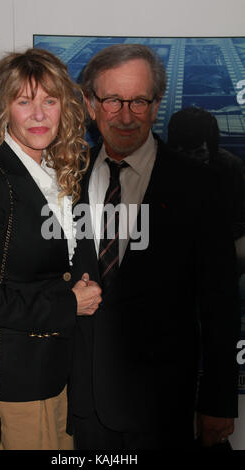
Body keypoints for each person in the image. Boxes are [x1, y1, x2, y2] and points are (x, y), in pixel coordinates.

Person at [69, 44, 240, 450]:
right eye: (112, 100)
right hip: (78, 410)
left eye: (139, 101)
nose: (126, 116)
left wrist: (218, 401)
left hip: (161, 410)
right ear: (91, 105)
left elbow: (221, 307)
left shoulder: (198, 187)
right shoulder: (64, 181)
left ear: (157, 104)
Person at [0, 48, 101, 450]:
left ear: (65, 108)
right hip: (8, 388)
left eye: (49, 101)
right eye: (24, 101)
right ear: (4, 109)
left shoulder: (62, 175)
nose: (38, 114)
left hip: (56, 377)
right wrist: (68, 305)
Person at [167, 106, 245, 274]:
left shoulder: (231, 167)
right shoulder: (160, 167)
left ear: (212, 149)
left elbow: (240, 218)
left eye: (199, 153)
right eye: (185, 153)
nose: (192, 161)